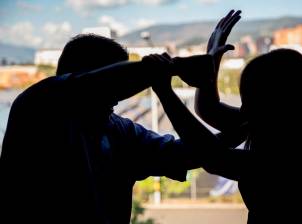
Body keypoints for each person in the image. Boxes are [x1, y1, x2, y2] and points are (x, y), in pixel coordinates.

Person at [0, 34, 212, 224]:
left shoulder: (120, 131)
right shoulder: (38, 103)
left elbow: (198, 153)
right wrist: (171, 67)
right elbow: (101, 83)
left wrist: (244, 122)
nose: (119, 96)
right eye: (117, 81)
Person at [194, 10, 302, 223]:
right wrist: (211, 57)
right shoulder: (296, 132)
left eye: (249, 99)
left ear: (272, 105)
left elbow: (212, 157)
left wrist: (166, 91)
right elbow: (210, 110)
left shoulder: (287, 157)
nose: (243, 109)